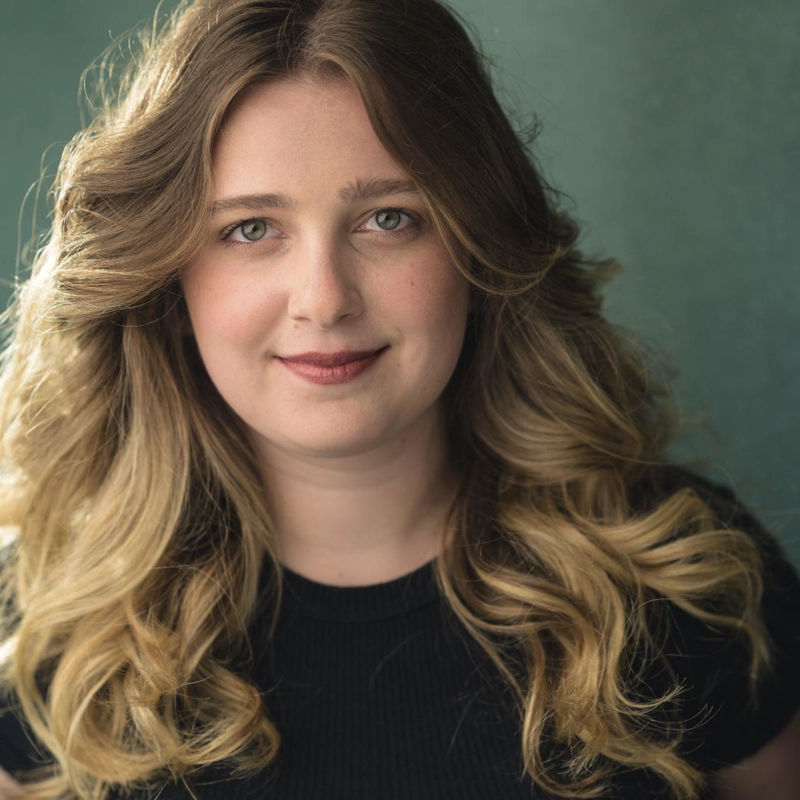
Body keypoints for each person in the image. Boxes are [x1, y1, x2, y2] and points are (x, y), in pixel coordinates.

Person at [0, 0, 798, 798]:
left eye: (389, 219)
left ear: (476, 248)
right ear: (170, 281)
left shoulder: (689, 585)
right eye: (250, 230)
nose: (324, 298)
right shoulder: (38, 638)